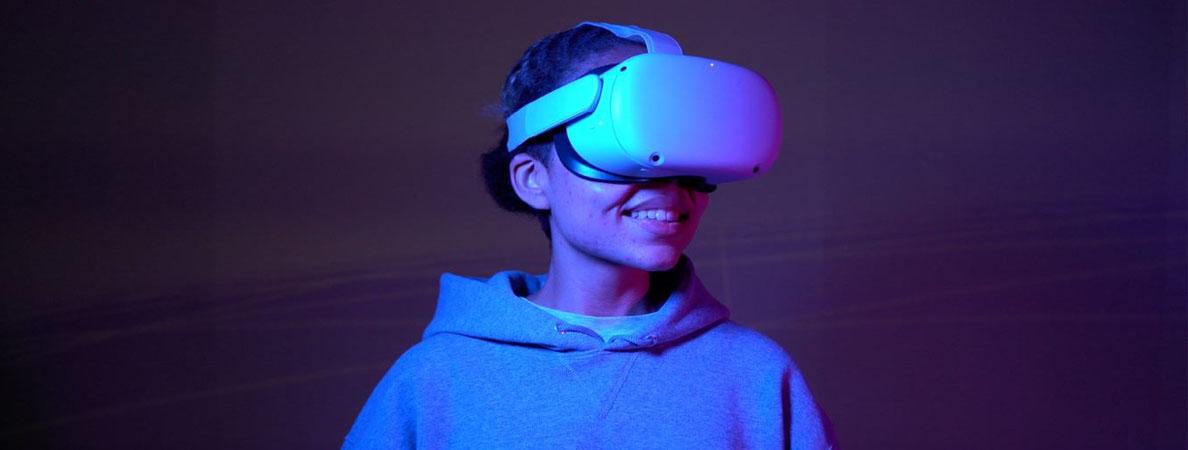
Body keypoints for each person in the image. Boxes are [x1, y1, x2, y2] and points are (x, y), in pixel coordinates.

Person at [344, 21, 836, 449]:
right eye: (622, 150)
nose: (668, 187)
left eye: (687, 160)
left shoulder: (757, 377)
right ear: (533, 179)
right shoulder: (433, 381)